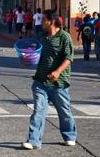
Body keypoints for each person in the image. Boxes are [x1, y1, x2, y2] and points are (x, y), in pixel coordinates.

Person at [22, 10, 76, 150]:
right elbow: (35, 52)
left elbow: (69, 58)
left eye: (44, 20)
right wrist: (27, 58)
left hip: (59, 83)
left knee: (64, 111)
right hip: (40, 81)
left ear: (51, 22)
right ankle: (34, 140)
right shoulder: (41, 36)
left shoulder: (64, 37)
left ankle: (69, 136)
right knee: (38, 111)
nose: (41, 23)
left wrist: (58, 71)